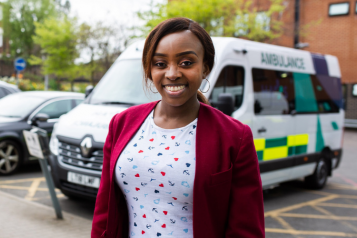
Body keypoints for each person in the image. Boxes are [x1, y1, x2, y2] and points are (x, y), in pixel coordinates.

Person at [91, 17, 265, 238]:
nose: (172, 73)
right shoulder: (122, 123)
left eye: (186, 63)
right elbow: (104, 212)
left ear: (205, 68)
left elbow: (246, 229)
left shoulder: (235, 137)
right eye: (160, 64)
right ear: (149, 69)